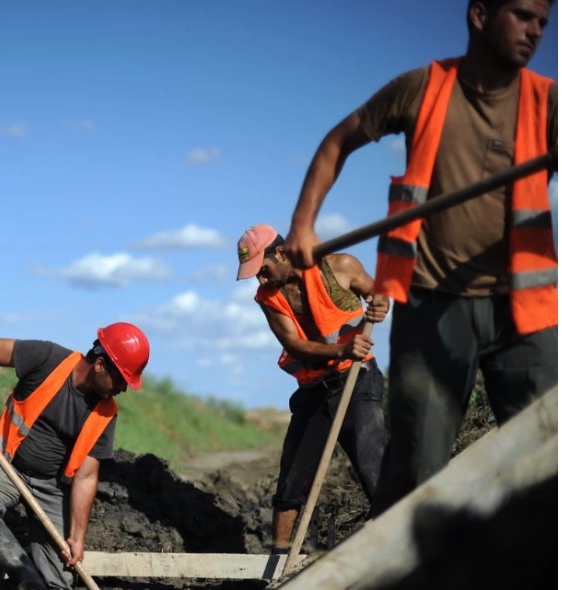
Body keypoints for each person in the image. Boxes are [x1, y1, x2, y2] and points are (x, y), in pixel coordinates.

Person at [283, 0, 556, 515]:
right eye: (523, 15)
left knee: (545, 463)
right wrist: (303, 223)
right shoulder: (423, 89)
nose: (536, 30)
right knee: (414, 469)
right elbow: (339, 140)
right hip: (434, 305)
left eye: (544, 20)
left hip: (524, 312)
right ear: (479, 15)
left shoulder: (549, 104)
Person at [0, 323, 150, 590]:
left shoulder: (106, 413)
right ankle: (25, 576)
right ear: (99, 364)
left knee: (60, 577)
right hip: (9, 466)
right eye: (121, 379)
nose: (123, 388)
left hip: (51, 487)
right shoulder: (47, 358)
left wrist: (77, 536)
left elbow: (86, 477)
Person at [236, 224, 389, 554]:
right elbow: (295, 345)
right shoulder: (268, 297)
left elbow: (377, 295)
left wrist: (380, 304)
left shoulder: (339, 267)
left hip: (357, 379)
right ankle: (277, 563)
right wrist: (339, 351)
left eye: (263, 271)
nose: (261, 280)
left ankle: (400, 544)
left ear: (280, 253)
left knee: (373, 467)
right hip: (314, 390)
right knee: (291, 481)